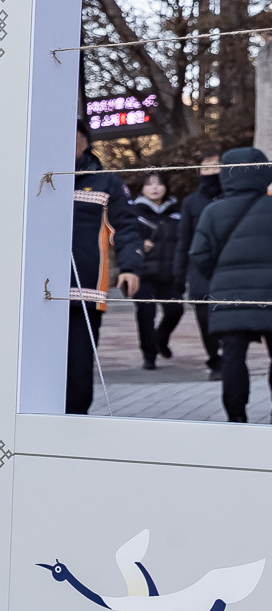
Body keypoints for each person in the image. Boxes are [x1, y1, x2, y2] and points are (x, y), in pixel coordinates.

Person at [185, 146, 272, 422]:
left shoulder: (213, 211)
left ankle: (236, 417)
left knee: (233, 356)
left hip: (229, 296)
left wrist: (220, 277)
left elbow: (198, 254)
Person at [67, 130, 128, 415]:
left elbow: (125, 227)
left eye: (74, 136)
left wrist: (130, 267)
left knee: (78, 365)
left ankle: (75, 422)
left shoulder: (106, 183)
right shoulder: (32, 175)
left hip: (84, 294)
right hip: (29, 295)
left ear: (85, 142)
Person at [121, 170, 183, 371]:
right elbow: (123, 236)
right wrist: (140, 243)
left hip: (168, 272)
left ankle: (160, 339)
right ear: (142, 188)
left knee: (176, 310)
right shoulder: (134, 212)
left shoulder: (176, 212)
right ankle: (149, 355)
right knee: (146, 314)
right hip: (143, 273)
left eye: (159, 183)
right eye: (149, 184)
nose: (154, 188)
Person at [179, 154, 223, 373]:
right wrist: (178, 275)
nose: (212, 171)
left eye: (217, 166)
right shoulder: (190, 203)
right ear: (199, 172)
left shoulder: (230, 198)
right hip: (198, 270)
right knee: (204, 318)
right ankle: (214, 357)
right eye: (206, 168)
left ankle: (227, 356)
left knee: (225, 316)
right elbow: (184, 240)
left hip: (226, 268)